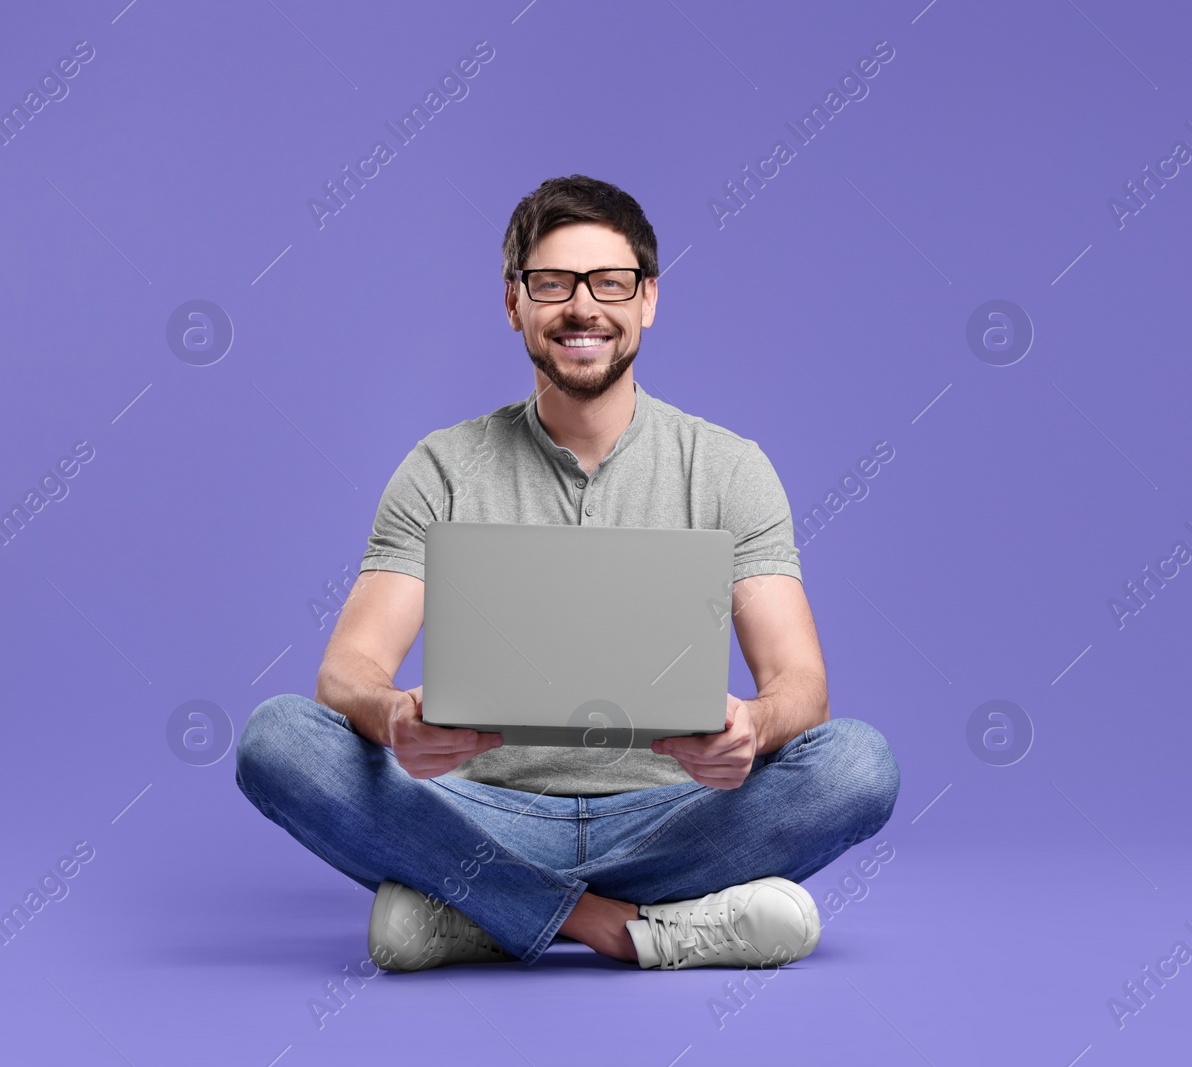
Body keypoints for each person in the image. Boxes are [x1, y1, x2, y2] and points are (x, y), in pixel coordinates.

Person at [234, 174, 900, 974]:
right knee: (277, 739)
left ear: (648, 299)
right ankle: (619, 927)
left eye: (609, 282)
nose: (582, 307)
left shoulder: (729, 467)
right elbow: (346, 672)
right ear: (514, 302)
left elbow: (803, 685)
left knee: (859, 763)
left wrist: (753, 728)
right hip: (482, 810)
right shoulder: (443, 466)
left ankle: (477, 909)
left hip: (673, 812)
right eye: (551, 283)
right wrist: (393, 714)